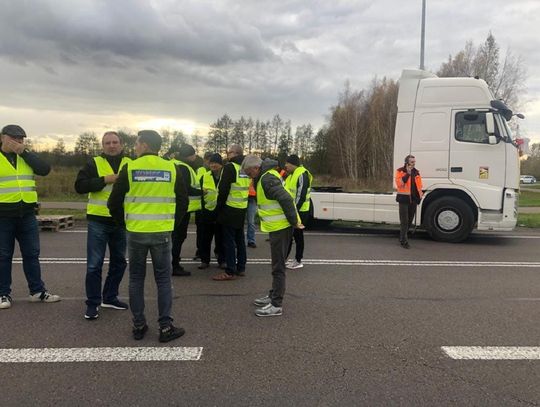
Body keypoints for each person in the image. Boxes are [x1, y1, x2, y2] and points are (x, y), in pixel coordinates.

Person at [108, 130, 187, 342]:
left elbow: (113, 202)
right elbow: (183, 201)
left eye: (136, 143)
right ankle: (165, 327)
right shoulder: (172, 168)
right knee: (163, 279)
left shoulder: (130, 168)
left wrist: (125, 224)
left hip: (136, 232)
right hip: (162, 231)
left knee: (136, 279)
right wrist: (172, 224)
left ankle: (139, 325)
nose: (135, 147)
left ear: (144, 144)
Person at [0, 124, 61, 309]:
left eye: (21, 138)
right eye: (14, 138)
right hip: (3, 216)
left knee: (32, 254)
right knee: (3, 256)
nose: (18, 141)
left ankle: (37, 291)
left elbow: (45, 169)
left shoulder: (25, 157)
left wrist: (24, 152)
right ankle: (3, 294)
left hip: (26, 214)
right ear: (3, 137)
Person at [75, 131, 131, 320]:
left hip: (121, 221)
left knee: (119, 262)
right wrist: (103, 180)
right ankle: (92, 304)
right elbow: (79, 186)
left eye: (115, 142)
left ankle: (110, 297)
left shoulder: (130, 164)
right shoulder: (94, 163)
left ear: (122, 144)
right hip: (98, 220)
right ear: (102, 145)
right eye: (107, 142)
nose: (112, 145)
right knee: (94, 265)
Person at [242, 155, 303, 316]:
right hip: (280, 226)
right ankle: (273, 295)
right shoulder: (267, 175)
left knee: (278, 267)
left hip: (281, 227)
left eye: (249, 172)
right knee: (278, 265)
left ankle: (276, 304)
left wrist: (293, 222)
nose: (249, 176)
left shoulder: (266, 178)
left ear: (256, 168)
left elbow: (285, 199)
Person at [212, 144, 249, 281]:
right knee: (239, 239)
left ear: (236, 153)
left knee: (228, 241)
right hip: (241, 208)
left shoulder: (229, 167)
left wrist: (219, 208)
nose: (227, 154)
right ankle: (241, 267)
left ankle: (230, 271)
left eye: (229, 152)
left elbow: (223, 189)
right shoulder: (244, 168)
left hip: (230, 208)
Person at [170, 144, 202, 276]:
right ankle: (174, 264)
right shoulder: (183, 167)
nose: (195, 157)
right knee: (178, 237)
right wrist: (201, 192)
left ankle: (172, 261)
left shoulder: (173, 163)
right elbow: (185, 189)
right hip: (182, 207)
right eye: (194, 154)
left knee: (174, 236)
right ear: (189, 155)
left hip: (172, 206)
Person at [284, 154, 312, 269]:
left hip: (301, 211)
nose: (285, 166)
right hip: (293, 210)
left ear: (292, 164)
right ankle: (284, 258)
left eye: (287, 163)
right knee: (290, 235)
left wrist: (293, 211)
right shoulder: (291, 175)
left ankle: (298, 260)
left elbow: (301, 195)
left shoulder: (302, 174)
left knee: (298, 235)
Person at [199, 153, 225, 269]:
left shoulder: (225, 176)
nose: (213, 165)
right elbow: (199, 192)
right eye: (211, 163)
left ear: (221, 164)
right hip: (207, 211)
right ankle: (205, 260)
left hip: (221, 211)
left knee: (220, 238)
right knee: (206, 238)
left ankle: (221, 260)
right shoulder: (204, 176)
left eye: (216, 163)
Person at [395, 154, 423, 249]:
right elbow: (399, 184)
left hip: (413, 200)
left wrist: (419, 197)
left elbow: (419, 186)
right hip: (403, 199)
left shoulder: (417, 172)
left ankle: (402, 236)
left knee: (410, 221)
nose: (414, 163)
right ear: (407, 163)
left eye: (414, 162)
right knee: (404, 221)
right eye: (412, 162)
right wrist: (408, 173)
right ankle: (404, 241)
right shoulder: (400, 171)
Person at [246, 179, 257, 248]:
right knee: (239, 222)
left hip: (252, 198)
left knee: (251, 222)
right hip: (242, 196)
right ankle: (236, 241)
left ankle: (251, 241)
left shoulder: (255, 174)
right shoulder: (242, 172)